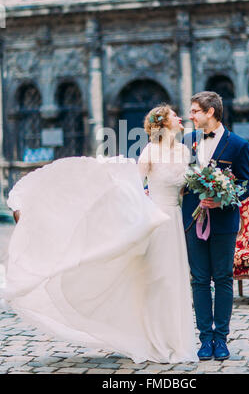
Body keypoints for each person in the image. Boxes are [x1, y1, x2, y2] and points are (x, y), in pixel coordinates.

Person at [3, 104, 198, 364]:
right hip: (156, 221)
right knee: (157, 279)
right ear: (163, 124)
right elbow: (133, 188)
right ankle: (156, 340)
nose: (180, 116)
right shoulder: (150, 151)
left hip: (175, 219)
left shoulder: (185, 151)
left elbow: (184, 187)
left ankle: (176, 340)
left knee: (175, 279)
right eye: (174, 115)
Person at [182, 91, 249, 361]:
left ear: (210, 112)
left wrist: (224, 197)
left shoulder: (238, 144)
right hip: (192, 221)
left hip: (223, 222)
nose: (191, 116)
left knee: (223, 279)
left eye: (195, 111)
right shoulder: (186, 141)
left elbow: (248, 184)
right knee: (199, 281)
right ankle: (205, 338)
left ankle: (221, 338)